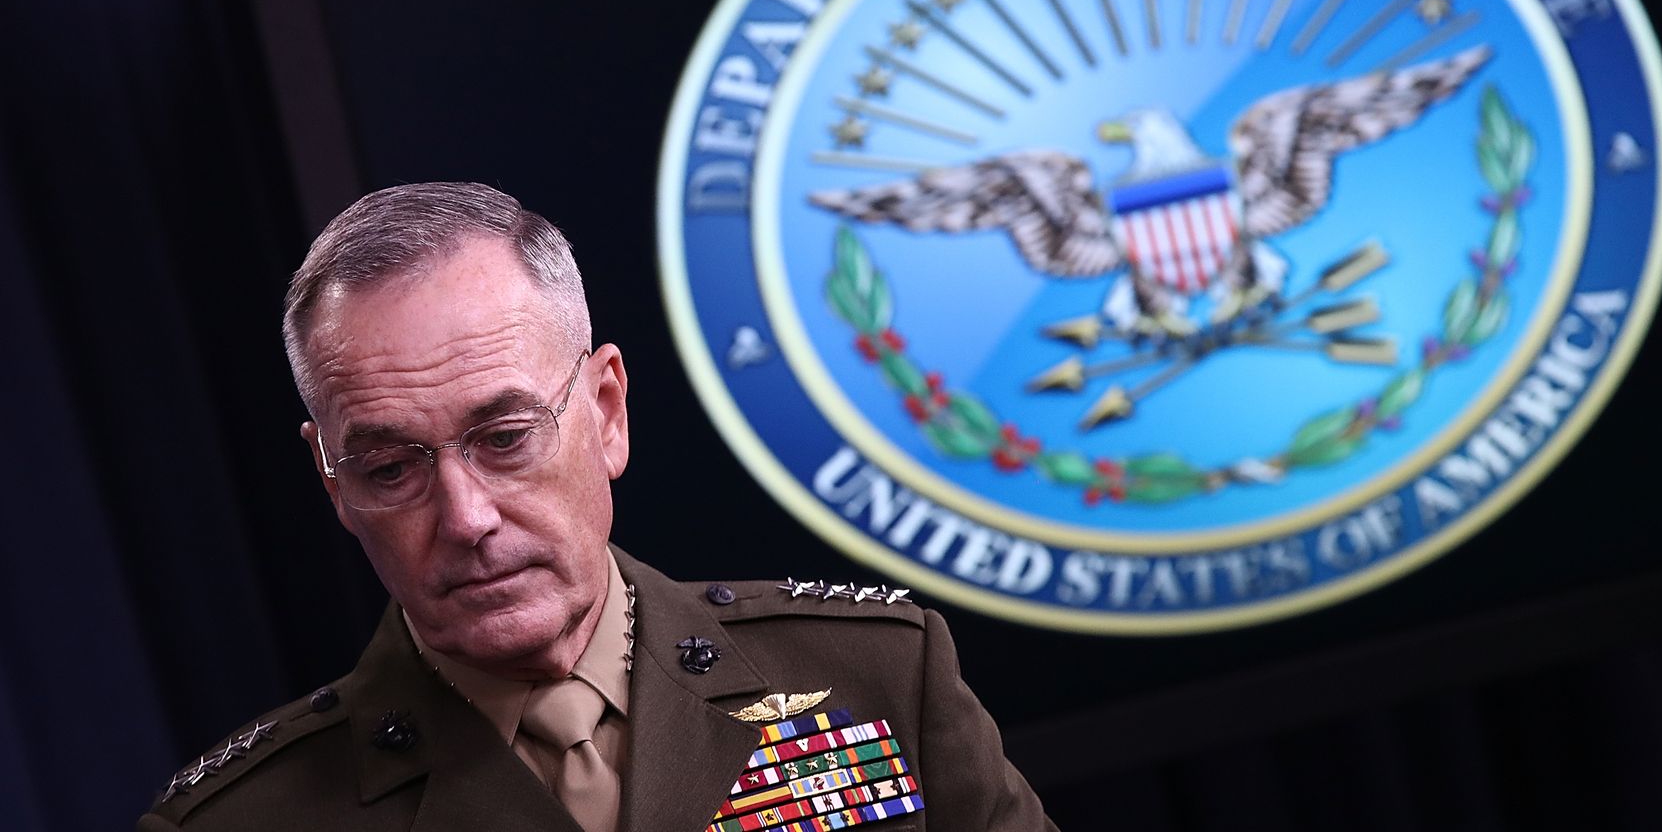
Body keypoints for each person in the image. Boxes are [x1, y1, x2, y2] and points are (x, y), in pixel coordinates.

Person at [139, 182, 1054, 832]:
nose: (467, 517)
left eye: (505, 438)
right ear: (333, 481)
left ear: (607, 412)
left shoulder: (881, 682)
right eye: (390, 468)